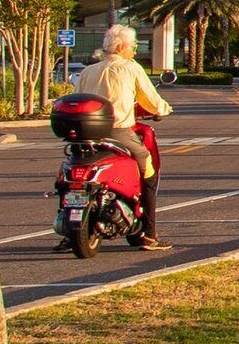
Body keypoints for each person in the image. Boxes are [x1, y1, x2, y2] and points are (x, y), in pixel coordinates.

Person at [71, 26, 175, 247]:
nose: (135, 51)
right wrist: (162, 109)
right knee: (147, 167)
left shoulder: (89, 71)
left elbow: (76, 97)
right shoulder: (130, 68)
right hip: (118, 131)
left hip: (86, 134)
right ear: (120, 47)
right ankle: (149, 232)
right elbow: (150, 99)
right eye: (133, 46)